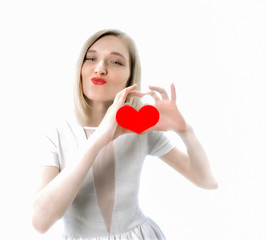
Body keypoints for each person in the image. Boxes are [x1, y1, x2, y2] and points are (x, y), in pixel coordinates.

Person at [32, 29, 218, 240]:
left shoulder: (141, 130)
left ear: (131, 76)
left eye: (116, 62)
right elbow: (40, 221)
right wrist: (99, 139)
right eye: (91, 58)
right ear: (80, 69)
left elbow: (206, 180)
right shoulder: (56, 133)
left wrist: (185, 131)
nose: (100, 69)